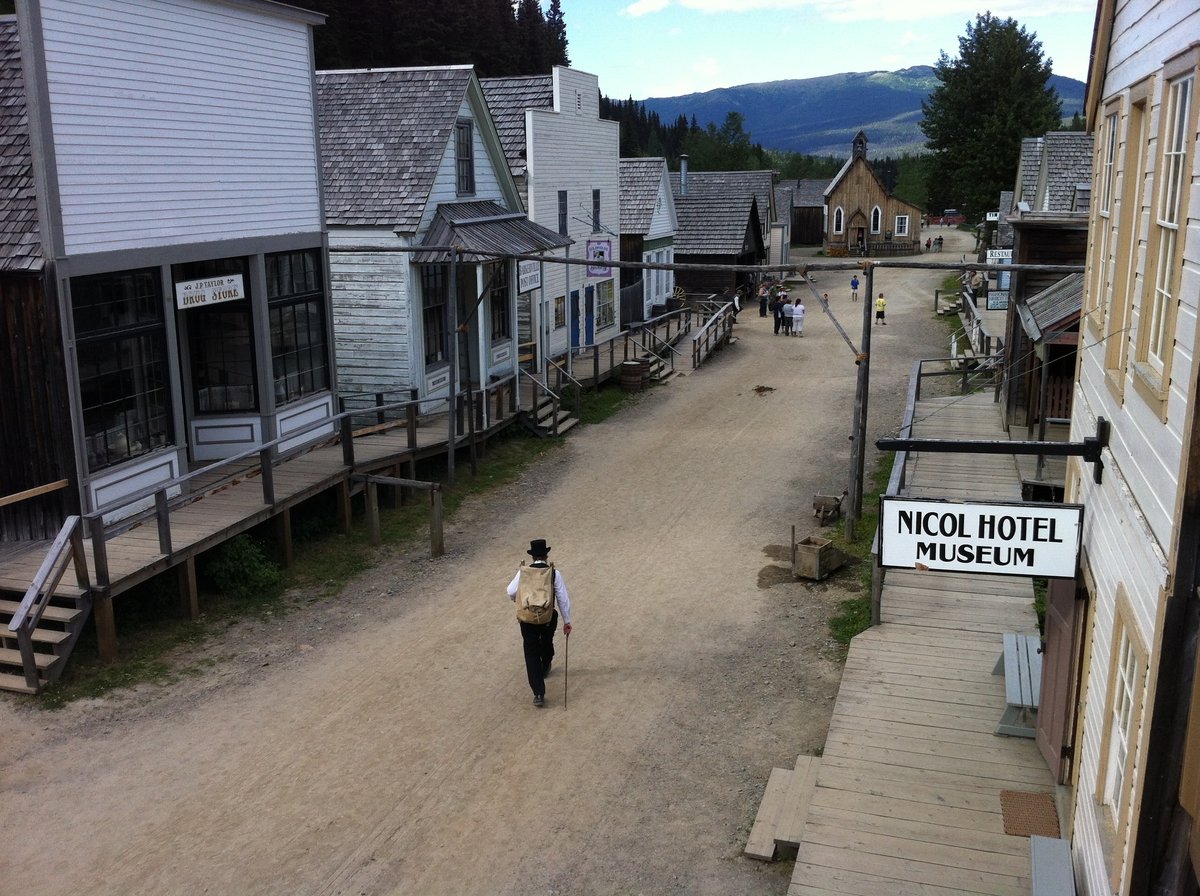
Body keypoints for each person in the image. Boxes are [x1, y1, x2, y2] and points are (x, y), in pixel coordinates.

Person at [507, 538, 572, 707]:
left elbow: (511, 591)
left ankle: (538, 692)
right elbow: (563, 599)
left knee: (531, 653)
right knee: (546, 642)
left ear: (532, 556)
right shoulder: (554, 573)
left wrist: (518, 600)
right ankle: (546, 662)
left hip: (528, 619)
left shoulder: (524, 572)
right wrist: (567, 621)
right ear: (546, 555)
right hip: (547, 618)